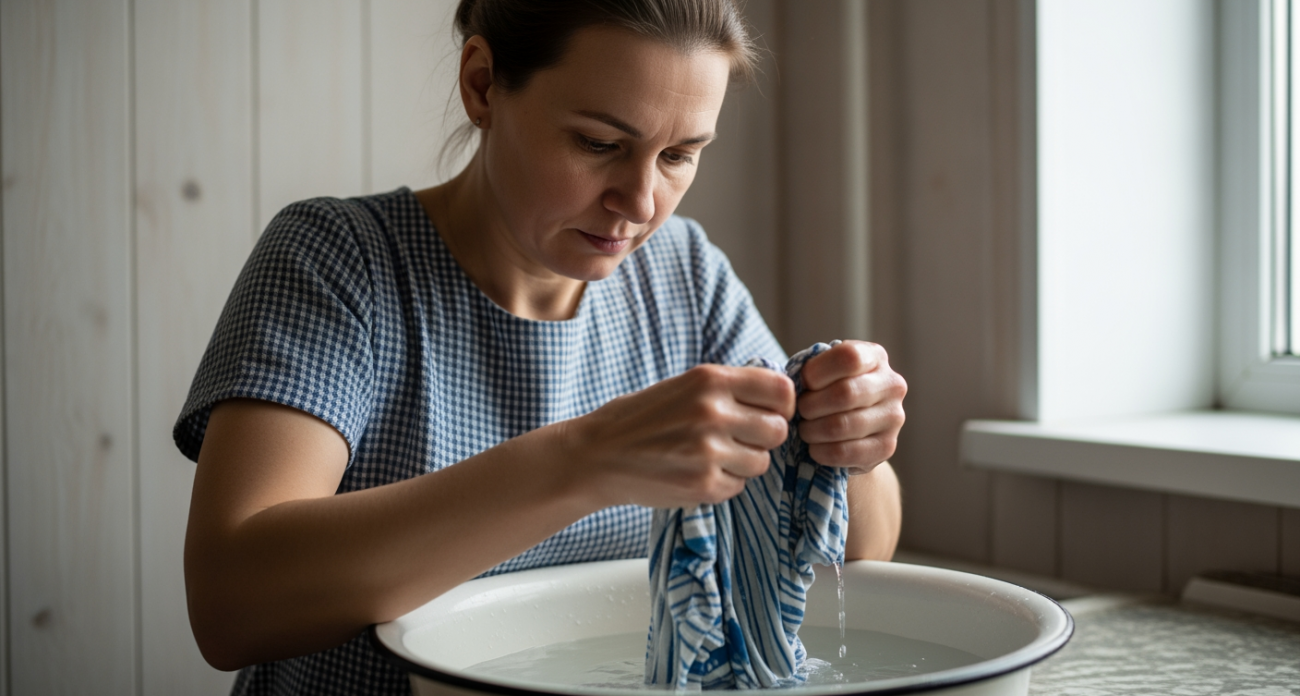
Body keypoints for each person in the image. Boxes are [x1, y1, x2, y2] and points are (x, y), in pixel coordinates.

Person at [176, 1, 906, 694]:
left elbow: (863, 548)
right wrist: (589, 458)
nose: (642, 201)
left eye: (681, 155)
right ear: (483, 85)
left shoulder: (684, 274)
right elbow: (231, 602)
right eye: (599, 144)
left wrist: (850, 446)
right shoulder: (343, 262)